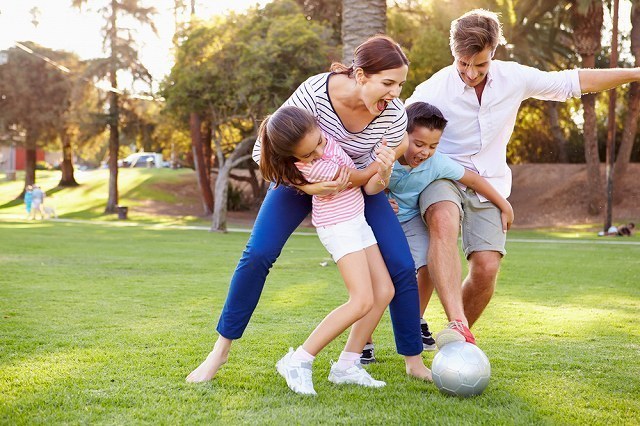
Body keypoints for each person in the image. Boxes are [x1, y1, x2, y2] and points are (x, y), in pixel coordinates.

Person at [187, 35, 432, 384]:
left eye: (400, 84)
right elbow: (264, 153)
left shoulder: (391, 114)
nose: (395, 94)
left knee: (401, 265)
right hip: (297, 182)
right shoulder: (315, 93)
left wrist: (386, 167)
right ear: (361, 75)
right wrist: (308, 187)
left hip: (356, 184)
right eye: (388, 83)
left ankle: (411, 360)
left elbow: (382, 169)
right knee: (258, 253)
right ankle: (220, 351)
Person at [405, 8, 640, 347]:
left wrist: (636, 72)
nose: (471, 73)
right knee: (443, 220)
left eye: (480, 64)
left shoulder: (513, 77)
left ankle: (453, 339)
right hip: (443, 176)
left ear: (495, 53)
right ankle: (455, 322)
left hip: (491, 182)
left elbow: (576, 82)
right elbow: (397, 129)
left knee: (485, 268)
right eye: (463, 63)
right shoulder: (433, 90)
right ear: (453, 53)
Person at [259, 106, 395, 395]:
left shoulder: (323, 138)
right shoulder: (317, 167)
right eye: (307, 155)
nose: (319, 153)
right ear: (293, 158)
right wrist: (385, 159)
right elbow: (356, 178)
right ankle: (299, 360)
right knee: (361, 300)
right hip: (339, 226)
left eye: (319, 142)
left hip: (356, 221)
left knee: (384, 291)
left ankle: (347, 365)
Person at [363, 102, 514, 359]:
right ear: (402, 134)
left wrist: (504, 204)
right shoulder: (382, 155)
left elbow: (474, 180)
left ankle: (414, 319)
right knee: (377, 281)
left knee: (431, 265)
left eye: (433, 146)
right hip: (379, 222)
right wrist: (380, 199)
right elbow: (362, 185)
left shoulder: (437, 164)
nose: (425, 152)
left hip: (411, 223)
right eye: (419, 144)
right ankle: (364, 340)